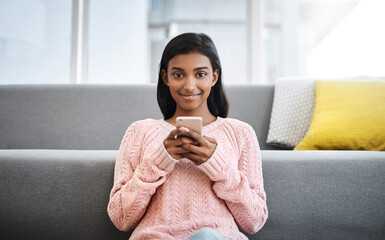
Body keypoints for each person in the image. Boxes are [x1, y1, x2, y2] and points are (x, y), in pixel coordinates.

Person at [107, 32, 268, 240]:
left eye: (200, 74)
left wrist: (218, 165)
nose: (189, 86)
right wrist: (159, 161)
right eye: (178, 75)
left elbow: (254, 221)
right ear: (165, 77)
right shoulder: (140, 131)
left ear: (214, 77)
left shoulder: (240, 133)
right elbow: (121, 219)